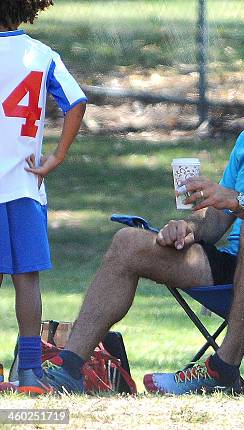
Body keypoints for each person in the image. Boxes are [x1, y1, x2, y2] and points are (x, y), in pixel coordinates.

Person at [41, 37, 244, 394]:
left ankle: (224, 368)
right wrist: (187, 229)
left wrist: (239, 201)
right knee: (128, 242)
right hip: (239, 264)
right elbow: (214, 228)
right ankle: (69, 366)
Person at [0, 0, 87, 394]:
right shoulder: (41, 54)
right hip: (24, 185)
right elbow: (76, 101)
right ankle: (31, 373)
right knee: (26, 278)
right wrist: (58, 155)